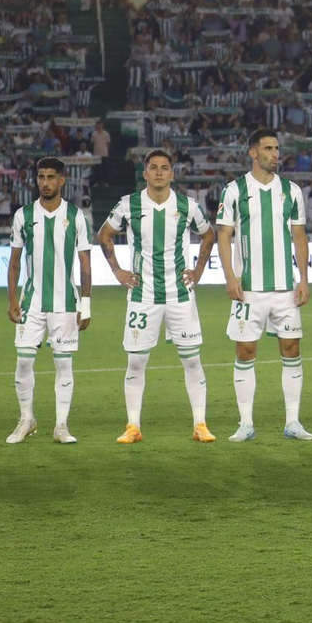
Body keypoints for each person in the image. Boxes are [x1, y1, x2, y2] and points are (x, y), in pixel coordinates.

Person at [97, 148, 217, 444]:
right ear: (145, 173)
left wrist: (199, 270)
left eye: (165, 167)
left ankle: (200, 424)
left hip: (179, 294)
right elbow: (104, 235)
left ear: (172, 173)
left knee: (191, 360)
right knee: (136, 362)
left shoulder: (187, 206)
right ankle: (133, 426)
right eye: (154, 167)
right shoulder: (129, 204)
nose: (160, 172)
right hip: (143, 295)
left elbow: (209, 234)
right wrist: (118, 272)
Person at [216, 129, 311, 442]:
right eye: (268, 148)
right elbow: (224, 235)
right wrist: (230, 277)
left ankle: (293, 422)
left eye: (277, 148)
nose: (275, 153)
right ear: (253, 153)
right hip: (249, 289)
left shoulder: (292, 191)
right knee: (245, 351)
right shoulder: (234, 190)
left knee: (291, 349)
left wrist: (304, 279)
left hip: (285, 288)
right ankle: (246, 423)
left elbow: (299, 236)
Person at [6, 157, 93, 444]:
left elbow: (85, 265)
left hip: (66, 303)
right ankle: (26, 419)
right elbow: (15, 262)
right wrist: (12, 300)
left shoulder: (76, 216)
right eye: (41, 176)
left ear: (62, 180)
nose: (45, 182)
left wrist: (86, 305)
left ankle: (61, 426)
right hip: (31, 302)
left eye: (51, 177)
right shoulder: (24, 214)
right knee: (23, 362)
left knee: (63, 364)